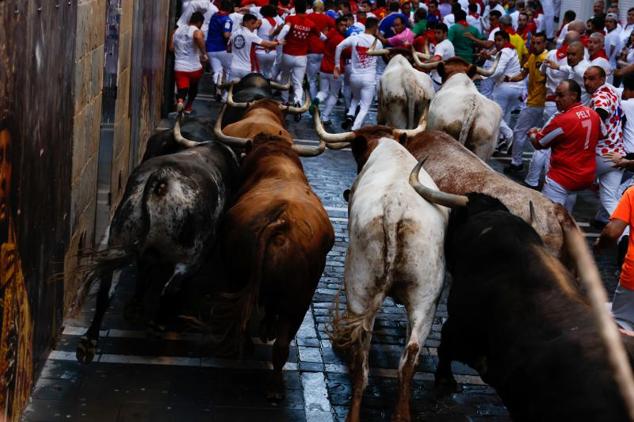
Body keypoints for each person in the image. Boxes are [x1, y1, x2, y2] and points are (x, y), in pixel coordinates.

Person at [528, 80, 600, 211]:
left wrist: (532, 134)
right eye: (556, 95)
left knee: (548, 219)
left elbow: (539, 144)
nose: (556, 99)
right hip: (585, 176)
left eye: (561, 95)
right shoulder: (593, 113)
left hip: (562, 178)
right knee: (566, 217)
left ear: (573, 95)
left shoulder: (562, 120)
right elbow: (603, 135)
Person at [584, 65, 625, 225]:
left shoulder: (600, 96)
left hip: (601, 155)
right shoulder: (611, 93)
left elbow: (601, 112)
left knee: (565, 185)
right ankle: (627, 234)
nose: (587, 82)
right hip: (617, 155)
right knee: (610, 199)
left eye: (591, 79)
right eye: (585, 78)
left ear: (602, 80)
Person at [505, 32, 548, 175]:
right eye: (533, 42)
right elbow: (522, 74)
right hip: (534, 102)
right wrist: (509, 78)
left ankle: (516, 163)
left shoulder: (547, 59)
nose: (535, 45)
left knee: (519, 132)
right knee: (537, 135)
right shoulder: (531, 57)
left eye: (538, 43)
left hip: (540, 103)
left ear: (544, 44)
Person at [334, 17, 383, 130]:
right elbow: (380, 62)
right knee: (365, 107)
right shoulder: (378, 43)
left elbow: (339, 47)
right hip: (368, 78)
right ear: (375, 27)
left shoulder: (355, 38)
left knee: (355, 98)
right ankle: (355, 129)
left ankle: (350, 116)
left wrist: (337, 65)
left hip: (354, 77)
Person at [277, 0, 324, 113]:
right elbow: (322, 37)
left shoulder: (291, 19)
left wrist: (278, 40)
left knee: (285, 78)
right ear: (306, 8)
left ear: (295, 8)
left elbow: (285, 29)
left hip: (287, 54)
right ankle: (297, 101)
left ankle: (285, 101)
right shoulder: (310, 23)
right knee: (298, 82)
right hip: (301, 57)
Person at [487, 30, 524, 147]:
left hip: (504, 88)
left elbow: (498, 71)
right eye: (496, 41)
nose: (497, 43)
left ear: (506, 41)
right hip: (517, 88)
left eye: (499, 40)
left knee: (495, 115)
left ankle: (508, 135)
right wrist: (490, 58)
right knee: (505, 115)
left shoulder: (504, 51)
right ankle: (502, 140)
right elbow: (502, 62)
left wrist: (481, 75)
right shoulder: (511, 50)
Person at [312, 16, 347, 125]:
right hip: (336, 70)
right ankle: (325, 117)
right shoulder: (341, 40)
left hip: (324, 68)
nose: (344, 27)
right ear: (336, 25)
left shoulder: (329, 34)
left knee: (323, 91)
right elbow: (348, 53)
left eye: (346, 25)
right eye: (342, 25)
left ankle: (317, 100)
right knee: (334, 95)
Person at [171, 11, 208, 113]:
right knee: (193, 86)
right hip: (194, 67)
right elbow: (197, 36)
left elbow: (171, 48)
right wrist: (204, 53)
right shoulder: (196, 30)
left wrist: (180, 52)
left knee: (182, 87)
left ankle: (180, 100)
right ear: (200, 22)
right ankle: (188, 107)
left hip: (179, 67)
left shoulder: (177, 31)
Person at [229, 13, 279, 81]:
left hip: (233, 68)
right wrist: (279, 42)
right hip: (247, 69)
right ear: (245, 23)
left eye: (255, 23)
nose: (255, 26)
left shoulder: (234, 34)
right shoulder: (251, 36)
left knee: (230, 90)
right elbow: (268, 44)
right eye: (252, 23)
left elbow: (228, 49)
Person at [307, 1, 336, 99]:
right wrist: (327, 36)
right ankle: (327, 96)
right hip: (324, 50)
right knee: (325, 77)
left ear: (313, 7)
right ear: (322, 8)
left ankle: (314, 102)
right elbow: (335, 27)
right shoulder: (326, 17)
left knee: (312, 80)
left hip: (311, 50)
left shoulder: (308, 16)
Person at [207, 0, 234, 98]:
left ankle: (217, 85)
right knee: (228, 70)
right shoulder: (227, 20)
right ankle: (225, 94)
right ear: (230, 9)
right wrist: (232, 35)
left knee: (217, 70)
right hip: (222, 48)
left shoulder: (214, 16)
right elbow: (226, 34)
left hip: (210, 48)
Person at [256, 5, 283, 79]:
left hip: (260, 50)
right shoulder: (277, 23)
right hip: (272, 53)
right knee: (268, 73)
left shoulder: (260, 21)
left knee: (260, 73)